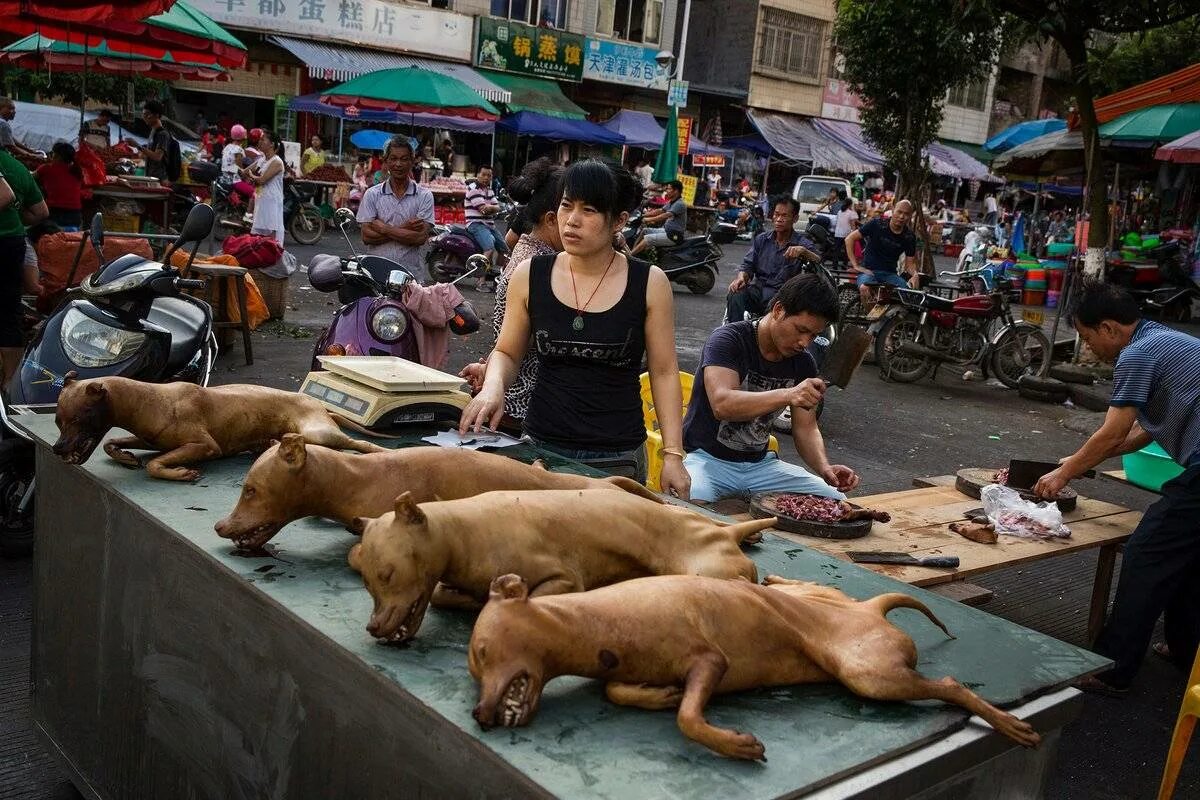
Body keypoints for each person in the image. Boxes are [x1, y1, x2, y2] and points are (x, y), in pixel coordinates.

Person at [459, 158, 690, 496]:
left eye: (590, 210)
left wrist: (673, 454)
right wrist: (494, 387)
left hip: (617, 458)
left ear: (619, 221)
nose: (572, 220)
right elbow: (507, 352)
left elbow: (665, 370)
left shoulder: (649, 282)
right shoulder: (529, 275)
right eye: (567, 205)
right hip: (542, 449)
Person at [1033, 280, 1200, 696]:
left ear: (1108, 328)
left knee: (1148, 552)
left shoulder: (1137, 354)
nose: (1089, 348)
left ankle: (1114, 668)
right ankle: (1187, 650)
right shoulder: (1165, 340)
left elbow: (1112, 433)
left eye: (1088, 338)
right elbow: (1143, 430)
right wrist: (1079, 461)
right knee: (1189, 557)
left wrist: (1064, 473)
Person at [683, 274, 858, 503]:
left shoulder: (803, 362)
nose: (805, 343)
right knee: (688, 501)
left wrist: (824, 468)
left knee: (836, 501)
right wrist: (789, 393)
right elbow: (722, 404)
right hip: (706, 460)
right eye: (800, 329)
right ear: (778, 310)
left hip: (761, 467)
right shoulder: (728, 340)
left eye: (813, 335)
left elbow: (805, 428)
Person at [460, 157, 564, 426]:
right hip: (522, 403)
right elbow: (523, 342)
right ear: (552, 219)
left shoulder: (534, 253)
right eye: (572, 210)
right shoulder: (537, 268)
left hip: (513, 393)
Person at [725, 196, 818, 322]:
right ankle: (735, 334)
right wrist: (741, 277)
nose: (779, 219)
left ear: (795, 218)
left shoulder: (802, 243)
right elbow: (747, 265)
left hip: (782, 296)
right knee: (735, 293)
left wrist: (804, 252)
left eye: (784, 216)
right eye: (776, 214)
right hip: (758, 291)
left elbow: (818, 260)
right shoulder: (762, 239)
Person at [0, 148, 48, 382]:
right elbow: (40, 212)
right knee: (9, 313)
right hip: (14, 242)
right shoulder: (18, 168)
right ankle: (10, 385)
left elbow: (5, 195)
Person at [356, 137, 434, 276]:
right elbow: (366, 237)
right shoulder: (372, 194)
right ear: (386, 161)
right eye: (393, 158)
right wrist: (405, 228)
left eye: (404, 159)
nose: (398, 164)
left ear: (412, 161)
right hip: (376, 273)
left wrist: (384, 228)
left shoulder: (424, 196)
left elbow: (420, 238)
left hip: (410, 275)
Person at [844, 198, 918, 303]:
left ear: (910, 216)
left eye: (906, 214)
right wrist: (855, 265)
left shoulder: (909, 236)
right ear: (893, 211)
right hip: (868, 272)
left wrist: (915, 275)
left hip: (890, 274)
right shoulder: (877, 224)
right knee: (864, 288)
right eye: (899, 212)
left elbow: (910, 264)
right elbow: (849, 239)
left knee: (908, 294)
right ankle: (870, 318)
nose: (902, 216)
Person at [464, 165, 508, 292]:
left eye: (489, 175)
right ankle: (480, 282)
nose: (486, 178)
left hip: (489, 225)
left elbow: (496, 207)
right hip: (476, 224)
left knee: (504, 249)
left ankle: (498, 279)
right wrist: (492, 207)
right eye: (483, 174)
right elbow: (483, 209)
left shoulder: (489, 190)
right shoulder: (473, 188)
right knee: (489, 248)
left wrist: (492, 208)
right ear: (478, 174)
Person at [245, 130, 285, 246]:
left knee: (271, 235)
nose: (260, 142)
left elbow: (262, 180)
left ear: (272, 144)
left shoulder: (277, 162)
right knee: (259, 236)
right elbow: (245, 172)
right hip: (261, 200)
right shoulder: (262, 160)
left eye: (263, 140)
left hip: (271, 202)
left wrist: (252, 176)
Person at [35, 143, 84, 231]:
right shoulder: (77, 171)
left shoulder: (47, 168)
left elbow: (29, 177)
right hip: (75, 215)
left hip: (55, 213)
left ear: (58, 156)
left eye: (52, 153)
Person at [630, 180, 686, 256]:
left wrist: (648, 219)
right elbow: (660, 210)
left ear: (676, 191)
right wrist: (644, 215)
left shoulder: (680, 204)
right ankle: (633, 251)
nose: (666, 191)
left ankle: (629, 257)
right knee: (644, 231)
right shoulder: (672, 202)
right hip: (666, 231)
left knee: (648, 239)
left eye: (669, 189)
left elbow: (665, 215)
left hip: (674, 236)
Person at [126, 100, 170, 183]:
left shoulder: (162, 134)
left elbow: (157, 157)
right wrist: (142, 154)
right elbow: (149, 156)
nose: (144, 117)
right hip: (150, 176)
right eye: (143, 114)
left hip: (158, 179)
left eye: (147, 114)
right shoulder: (153, 132)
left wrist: (137, 145)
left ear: (156, 115)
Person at [0, 97, 43, 162]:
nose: (14, 112)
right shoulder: (3, 124)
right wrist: (33, 156)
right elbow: (12, 147)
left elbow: (11, 139)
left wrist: (30, 151)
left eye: (14, 109)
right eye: (10, 108)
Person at [832, 196, 858, 270]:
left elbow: (836, 222)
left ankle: (835, 266)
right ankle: (844, 265)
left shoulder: (839, 212)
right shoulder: (851, 213)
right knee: (847, 250)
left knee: (836, 250)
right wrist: (854, 233)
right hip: (846, 234)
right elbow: (853, 225)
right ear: (850, 205)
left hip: (837, 233)